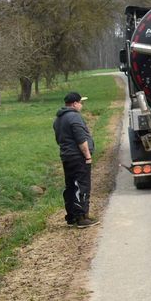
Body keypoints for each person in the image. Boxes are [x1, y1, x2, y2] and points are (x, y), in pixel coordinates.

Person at [53, 91, 98, 228]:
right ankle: (82, 217)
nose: (81, 105)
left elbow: (58, 139)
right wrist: (87, 156)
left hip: (66, 157)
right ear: (74, 104)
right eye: (80, 102)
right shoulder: (74, 117)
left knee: (71, 186)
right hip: (78, 157)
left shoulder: (58, 119)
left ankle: (71, 216)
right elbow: (81, 139)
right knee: (81, 185)